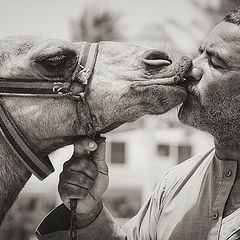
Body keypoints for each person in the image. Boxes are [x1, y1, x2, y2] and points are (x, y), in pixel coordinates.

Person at [36, 8, 240, 239]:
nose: (192, 68)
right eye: (200, 53)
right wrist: (88, 213)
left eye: (215, 62)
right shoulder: (175, 185)